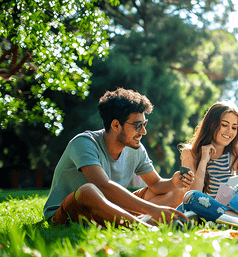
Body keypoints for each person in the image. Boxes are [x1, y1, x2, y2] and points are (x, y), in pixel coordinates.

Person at [43, 88, 193, 228]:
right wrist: (154, 210)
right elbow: (103, 186)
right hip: (68, 212)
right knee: (88, 191)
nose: (144, 132)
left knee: (173, 192)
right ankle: (143, 226)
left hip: (111, 207)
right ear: (115, 125)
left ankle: (131, 220)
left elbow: (155, 183)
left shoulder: (136, 149)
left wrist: (173, 182)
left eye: (144, 124)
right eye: (138, 125)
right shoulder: (83, 143)